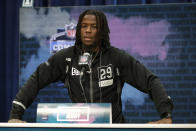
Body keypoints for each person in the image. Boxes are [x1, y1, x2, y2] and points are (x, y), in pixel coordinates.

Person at [8, 9, 173, 123]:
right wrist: (16, 115)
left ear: (102, 31)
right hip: (81, 127)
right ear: (79, 30)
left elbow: (151, 81)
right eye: (84, 26)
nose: (88, 30)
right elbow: (36, 79)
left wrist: (165, 115)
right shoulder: (67, 58)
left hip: (114, 128)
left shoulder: (117, 58)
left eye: (93, 27)